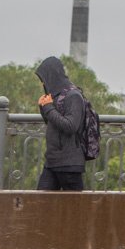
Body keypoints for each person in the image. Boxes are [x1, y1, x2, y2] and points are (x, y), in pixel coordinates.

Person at [34, 56, 87, 191]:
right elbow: (52, 123)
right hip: (52, 161)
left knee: (75, 203)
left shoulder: (73, 96)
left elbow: (70, 126)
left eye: (44, 79)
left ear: (52, 77)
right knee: (40, 201)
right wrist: (43, 107)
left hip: (69, 164)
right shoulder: (56, 97)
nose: (42, 83)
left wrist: (48, 107)